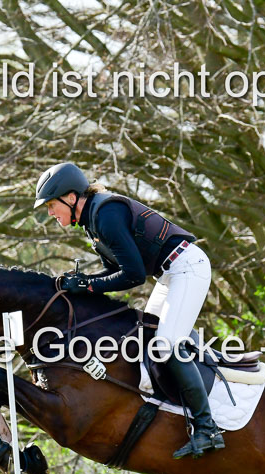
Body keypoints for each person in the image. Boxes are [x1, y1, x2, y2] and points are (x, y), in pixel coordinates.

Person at [33, 162, 225, 458]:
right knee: (147, 340)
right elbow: (114, 273)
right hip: (169, 274)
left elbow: (133, 275)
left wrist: (86, 285)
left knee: (167, 344)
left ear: (71, 198)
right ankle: (173, 412)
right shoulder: (92, 221)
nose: (49, 213)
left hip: (187, 267)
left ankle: (207, 428)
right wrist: (82, 284)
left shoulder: (106, 215)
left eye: (51, 205)